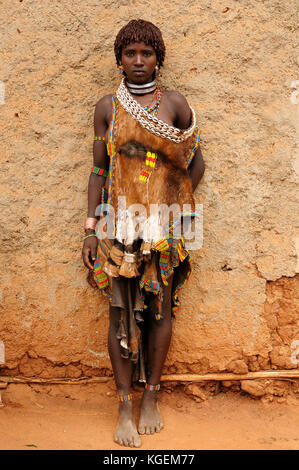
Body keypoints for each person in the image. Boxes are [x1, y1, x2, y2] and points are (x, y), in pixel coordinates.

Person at [82, 19, 205, 448]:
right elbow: (99, 170)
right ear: (120, 59)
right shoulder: (107, 107)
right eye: (130, 53)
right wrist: (91, 229)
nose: (138, 61)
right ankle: (123, 404)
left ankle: (151, 397)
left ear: (158, 59)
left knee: (161, 310)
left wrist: (169, 205)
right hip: (118, 225)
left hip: (163, 228)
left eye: (146, 53)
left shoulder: (174, 105)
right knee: (119, 313)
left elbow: (195, 163)